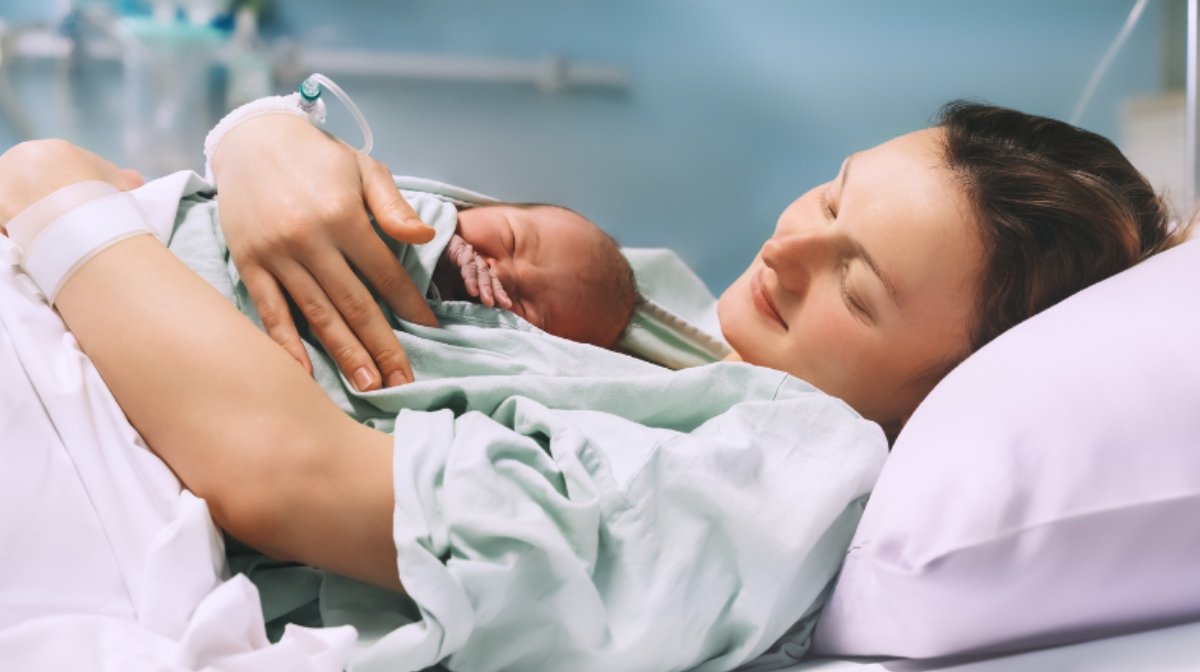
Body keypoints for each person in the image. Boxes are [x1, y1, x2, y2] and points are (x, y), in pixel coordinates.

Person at [0, 100, 1188, 670]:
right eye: (831, 196)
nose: (790, 248)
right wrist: (261, 138)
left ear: (938, 390)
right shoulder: (673, 317)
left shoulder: (776, 473)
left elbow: (293, 475)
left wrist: (53, 192)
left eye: (857, 284)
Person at [431, 202, 640, 351]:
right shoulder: (416, 206)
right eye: (512, 241)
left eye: (529, 311)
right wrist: (435, 235)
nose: (501, 276)